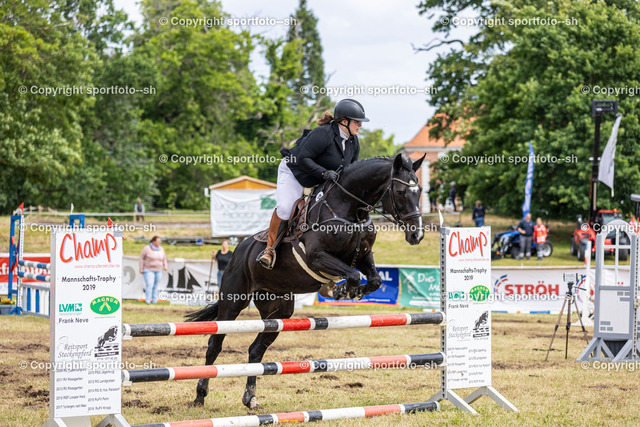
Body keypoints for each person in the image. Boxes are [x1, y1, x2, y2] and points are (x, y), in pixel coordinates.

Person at [257, 99, 369, 269]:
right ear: (344, 121)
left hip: (318, 177)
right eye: (357, 122)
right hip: (295, 172)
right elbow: (303, 159)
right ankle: (269, 250)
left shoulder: (353, 142)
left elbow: (350, 171)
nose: (360, 125)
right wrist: (324, 173)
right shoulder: (323, 133)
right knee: (286, 208)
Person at [139, 236, 168, 304]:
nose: (159, 242)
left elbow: (164, 258)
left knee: (156, 285)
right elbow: (141, 258)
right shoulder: (147, 248)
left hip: (158, 270)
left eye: (160, 241)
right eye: (158, 241)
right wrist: (141, 268)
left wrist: (165, 265)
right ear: (153, 241)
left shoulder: (161, 249)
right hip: (148, 269)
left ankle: (154, 300)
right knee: (150, 284)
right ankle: (148, 300)